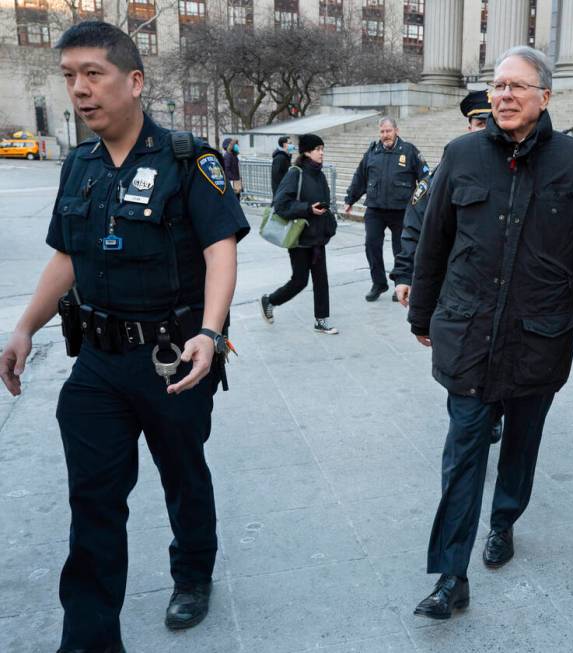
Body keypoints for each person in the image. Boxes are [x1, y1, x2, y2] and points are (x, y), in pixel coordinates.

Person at [0, 20, 249, 652]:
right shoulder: (79, 165)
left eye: (93, 74)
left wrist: (210, 333)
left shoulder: (189, 159)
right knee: (93, 503)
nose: (79, 90)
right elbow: (67, 258)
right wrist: (26, 325)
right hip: (98, 368)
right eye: (69, 77)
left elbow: (221, 249)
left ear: (134, 81)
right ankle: (88, 640)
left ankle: (192, 574)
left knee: (183, 474)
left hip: (172, 361)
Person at [407, 46, 573, 620]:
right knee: (462, 455)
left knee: (521, 447)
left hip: (539, 338)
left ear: (545, 97)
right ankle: (450, 576)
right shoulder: (459, 155)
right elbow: (433, 242)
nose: (502, 96)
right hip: (468, 335)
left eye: (517, 87)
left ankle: (503, 521)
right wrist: (421, 314)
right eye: (497, 86)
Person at [391, 89, 502, 445]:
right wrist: (405, 275)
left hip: (504, 289)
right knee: (460, 358)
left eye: (489, 122)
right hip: (455, 289)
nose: (482, 128)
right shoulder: (448, 167)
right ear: (469, 125)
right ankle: (474, 412)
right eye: (477, 122)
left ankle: (493, 410)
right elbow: (416, 225)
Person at [342, 117, 429, 302]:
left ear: (396, 130)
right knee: (372, 246)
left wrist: (421, 206)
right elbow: (360, 177)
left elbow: (425, 180)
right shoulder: (372, 152)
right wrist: (350, 199)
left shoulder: (409, 151)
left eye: (388, 131)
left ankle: (401, 283)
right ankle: (379, 283)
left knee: (402, 249)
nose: (385, 135)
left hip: (401, 210)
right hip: (375, 209)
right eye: (382, 132)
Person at [260, 133, 338, 335]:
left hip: (317, 238)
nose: (321, 153)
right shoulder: (295, 173)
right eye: (317, 149)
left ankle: (321, 321)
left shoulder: (319, 174)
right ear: (306, 152)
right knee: (300, 281)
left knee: (322, 280)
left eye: (322, 149)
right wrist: (307, 209)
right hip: (300, 239)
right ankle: (270, 300)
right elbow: (281, 205)